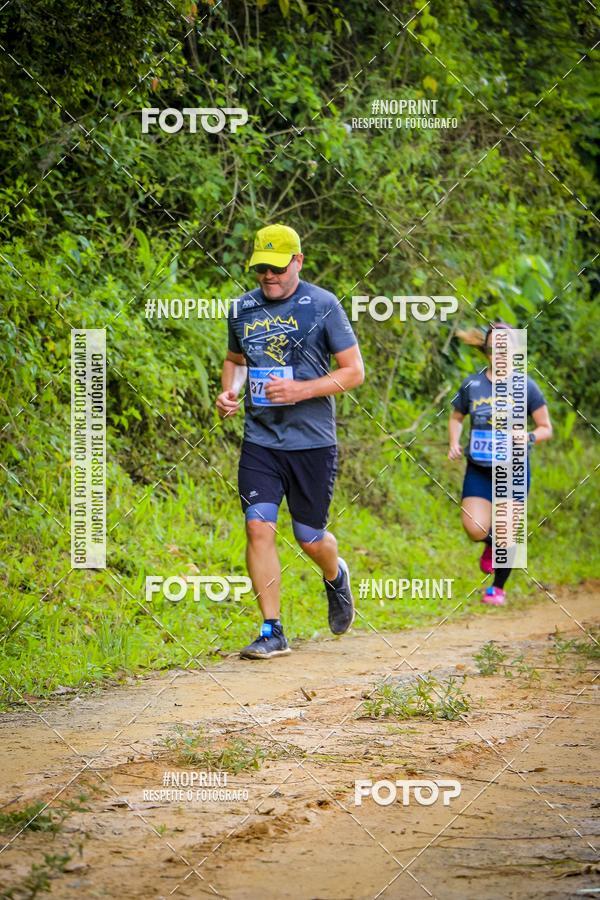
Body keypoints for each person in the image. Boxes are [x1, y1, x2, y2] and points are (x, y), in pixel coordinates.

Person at [216, 223, 365, 658]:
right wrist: (229, 392)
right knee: (257, 525)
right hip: (261, 441)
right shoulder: (242, 308)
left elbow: (354, 371)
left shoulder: (323, 305)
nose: (269, 276)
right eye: (261, 268)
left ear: (298, 261)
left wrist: (301, 389)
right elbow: (235, 360)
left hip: (312, 443)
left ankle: (335, 575)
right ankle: (272, 630)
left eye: (277, 268)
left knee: (310, 537)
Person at [448, 322, 552, 605]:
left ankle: (498, 589)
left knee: (507, 531)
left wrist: (528, 436)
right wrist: (454, 442)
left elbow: (545, 427)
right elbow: (456, 417)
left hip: (513, 470)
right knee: (474, 528)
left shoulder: (526, 387)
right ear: (487, 351)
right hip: (479, 470)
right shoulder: (472, 384)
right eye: (494, 348)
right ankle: (491, 545)